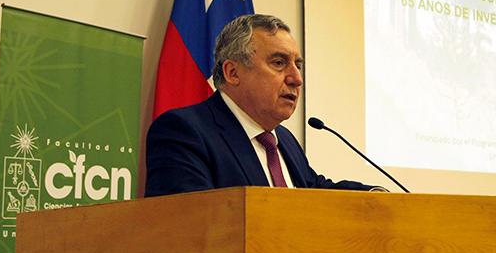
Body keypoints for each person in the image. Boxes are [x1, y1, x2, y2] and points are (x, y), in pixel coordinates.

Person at [145, 14, 377, 196]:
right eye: (279, 63)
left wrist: (379, 197)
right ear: (233, 72)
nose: (297, 79)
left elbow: (314, 189)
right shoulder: (184, 132)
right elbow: (188, 223)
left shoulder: (282, 139)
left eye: (298, 65)